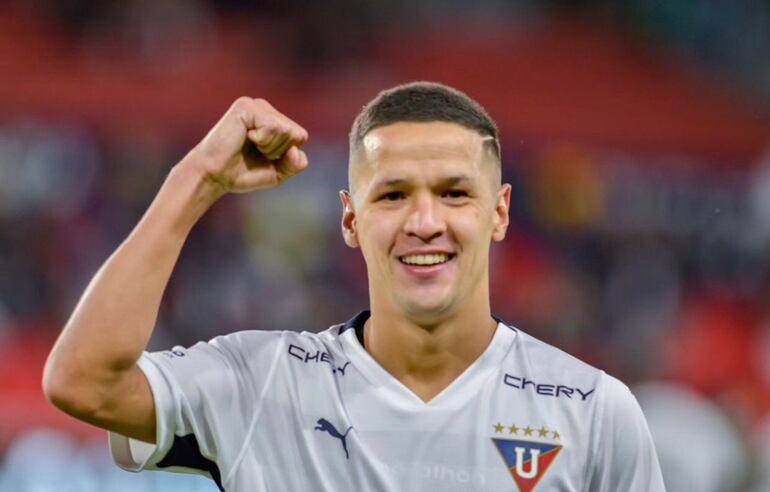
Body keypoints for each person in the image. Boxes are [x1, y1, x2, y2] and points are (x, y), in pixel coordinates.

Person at [43, 82, 665, 491]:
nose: (425, 223)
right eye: (392, 195)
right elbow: (82, 380)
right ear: (350, 218)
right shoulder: (262, 383)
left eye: (454, 193)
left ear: (499, 212)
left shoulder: (592, 413)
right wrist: (197, 178)